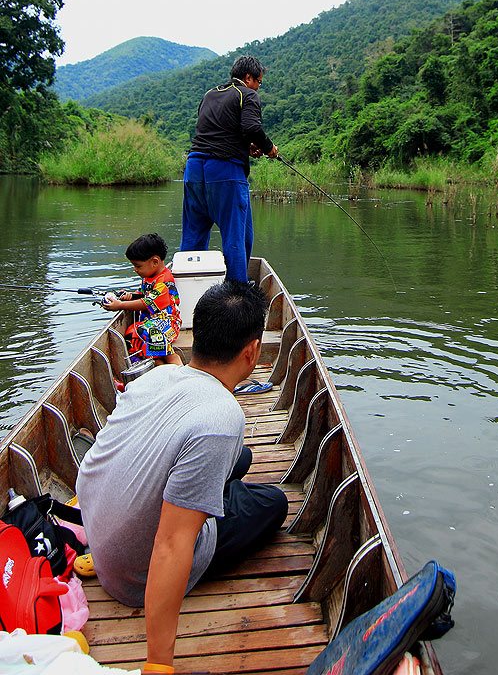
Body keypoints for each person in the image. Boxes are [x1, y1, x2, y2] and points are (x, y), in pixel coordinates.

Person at [76, 280, 288, 673]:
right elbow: (172, 545)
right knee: (273, 503)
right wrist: (159, 663)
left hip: (100, 531)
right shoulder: (222, 417)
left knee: (239, 458)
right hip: (132, 574)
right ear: (252, 351)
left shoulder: (157, 377)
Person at [179, 55, 278, 281]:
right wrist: (268, 147)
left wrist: (246, 147)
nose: (258, 87)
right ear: (248, 77)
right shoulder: (247, 94)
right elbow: (252, 127)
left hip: (194, 168)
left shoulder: (210, 94)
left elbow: (220, 130)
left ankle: (184, 295)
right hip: (225, 172)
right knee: (237, 239)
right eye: (259, 82)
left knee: (192, 237)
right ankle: (237, 298)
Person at [102, 233, 182, 365]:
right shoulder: (149, 277)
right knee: (132, 334)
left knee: (146, 333)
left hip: (168, 324)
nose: (135, 270)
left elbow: (147, 303)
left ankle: (177, 367)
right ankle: (154, 367)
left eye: (138, 266)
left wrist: (120, 305)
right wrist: (130, 296)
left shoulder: (164, 282)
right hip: (151, 322)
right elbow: (142, 294)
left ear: (155, 262)